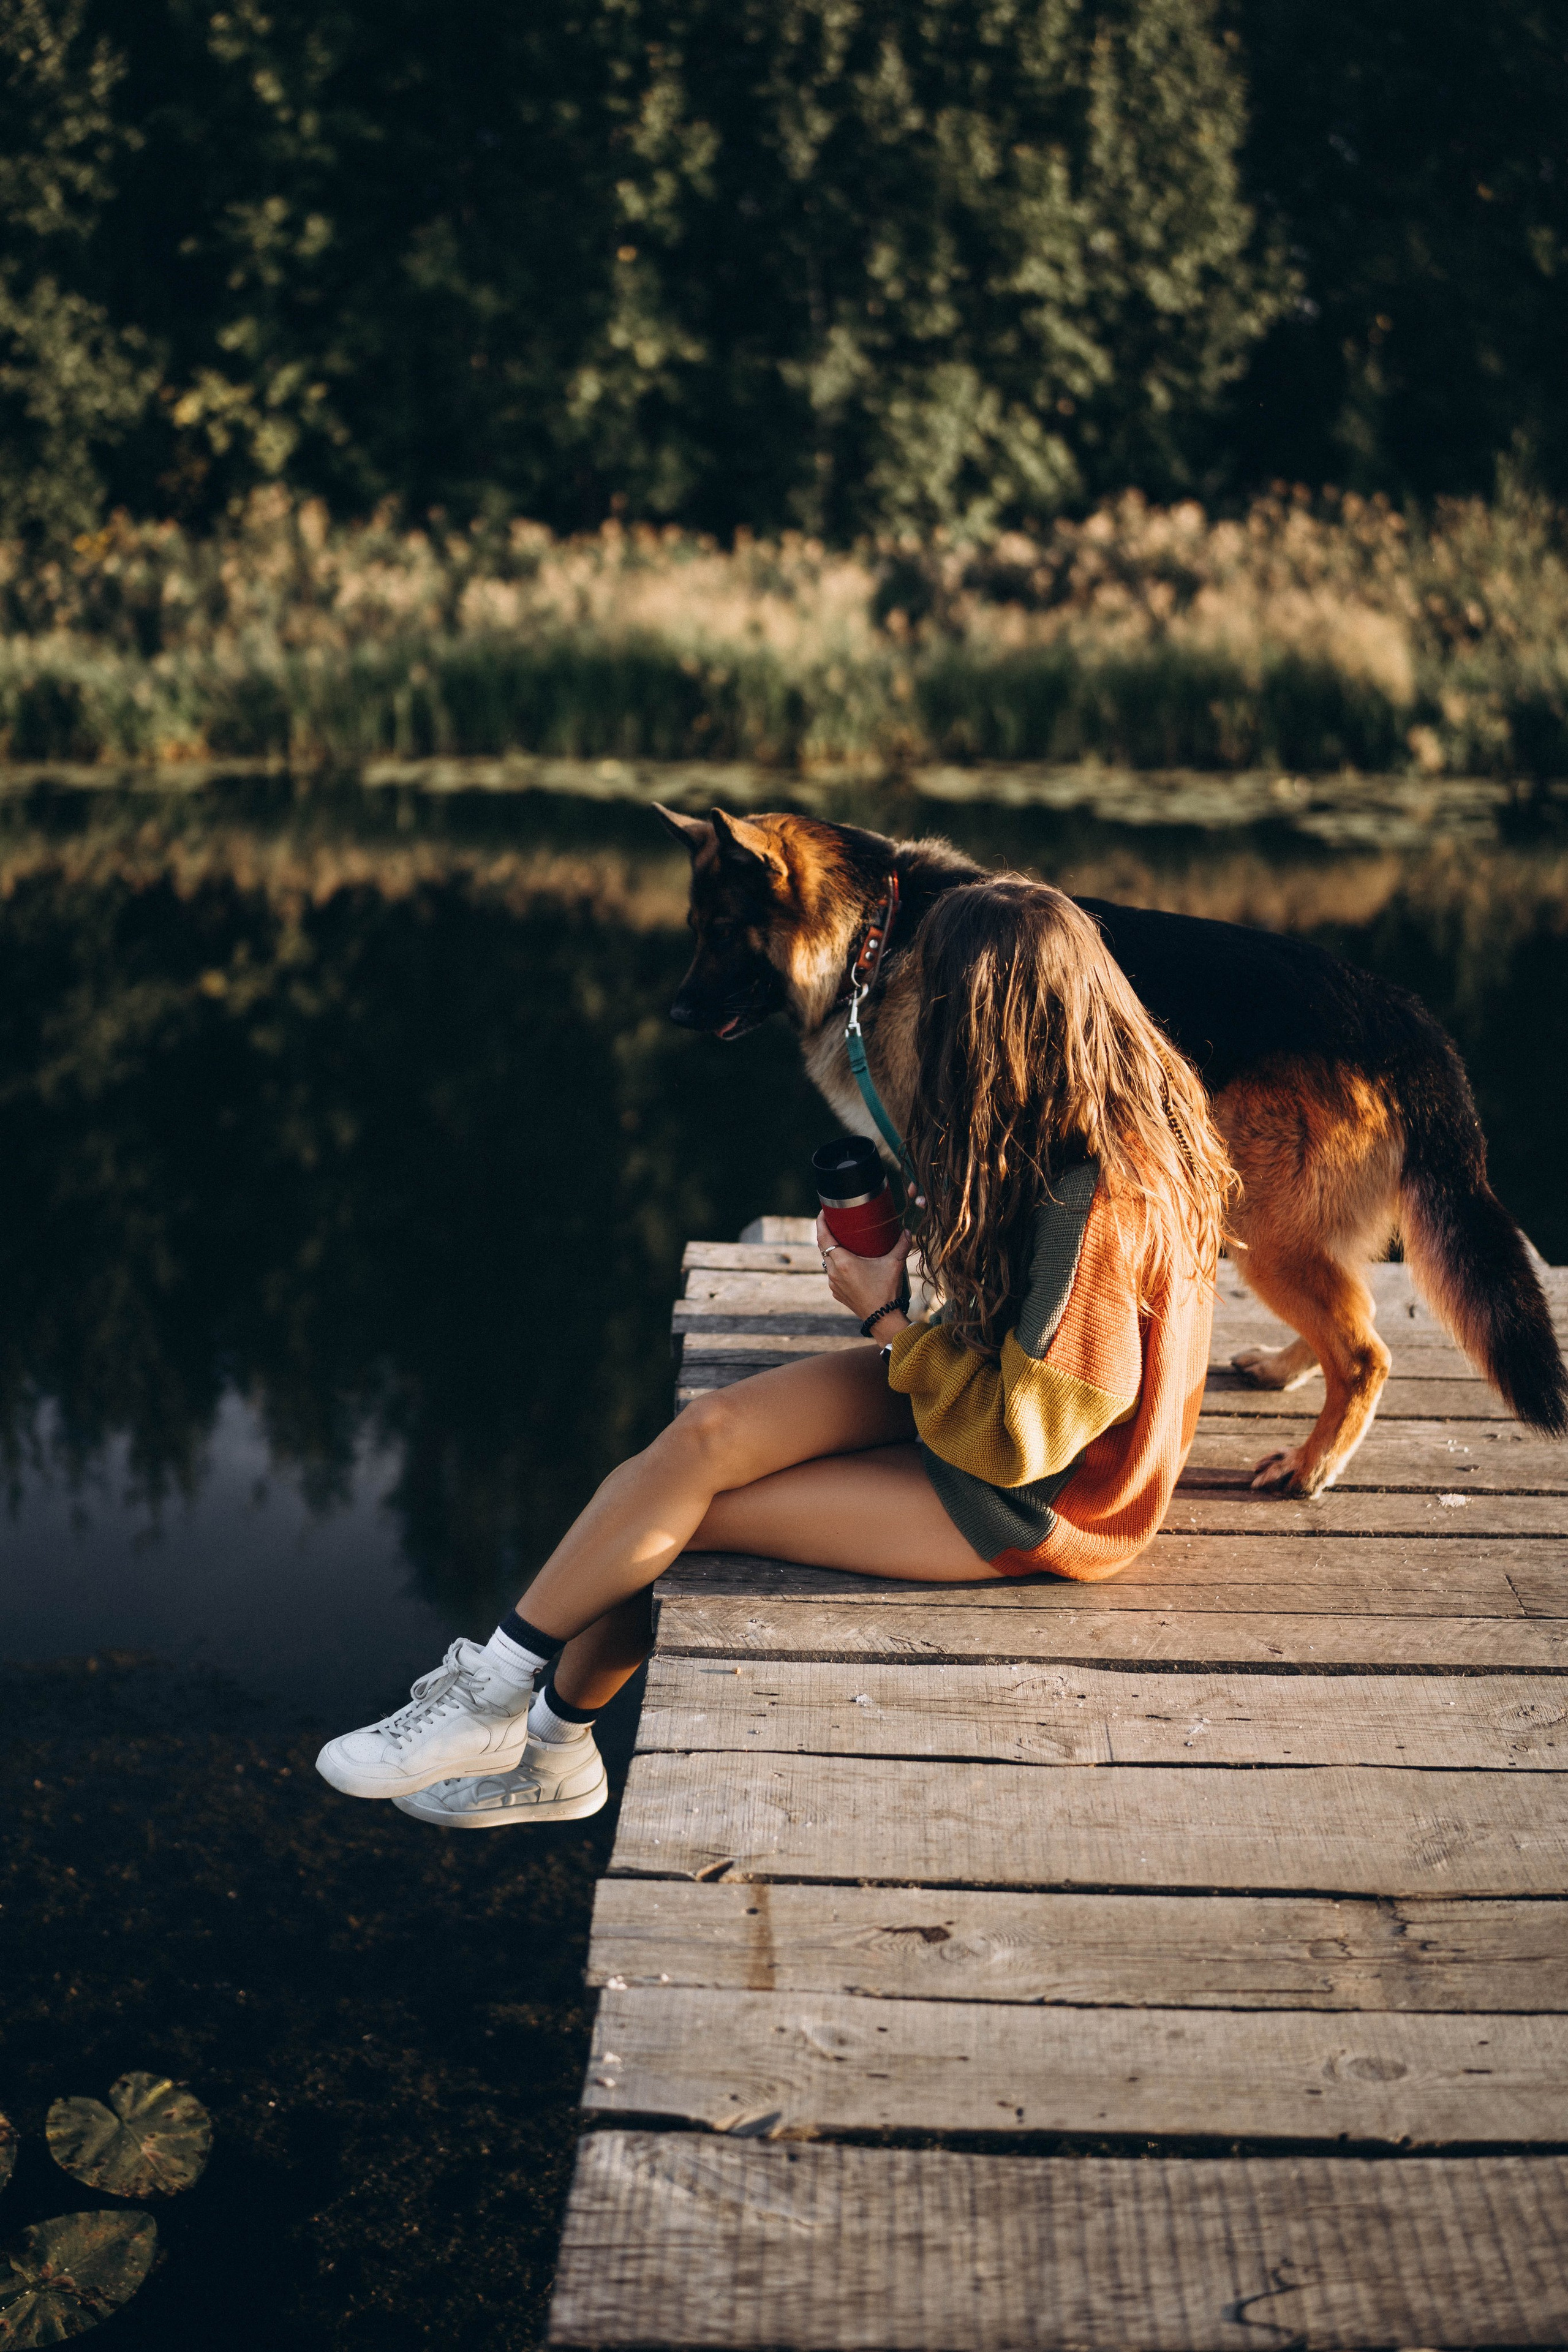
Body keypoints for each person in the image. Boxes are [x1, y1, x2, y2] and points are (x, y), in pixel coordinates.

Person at [315, 880, 1237, 1828]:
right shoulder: (1056, 1110)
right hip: (972, 1377)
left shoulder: (1109, 1202)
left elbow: (1022, 1443)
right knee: (701, 1439)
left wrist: (884, 1318)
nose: (907, 1022)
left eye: (929, 1004)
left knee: (696, 1523)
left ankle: (554, 1751)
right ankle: (491, 1697)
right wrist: (915, 1245)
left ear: (998, 1024)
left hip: (1039, 1496)